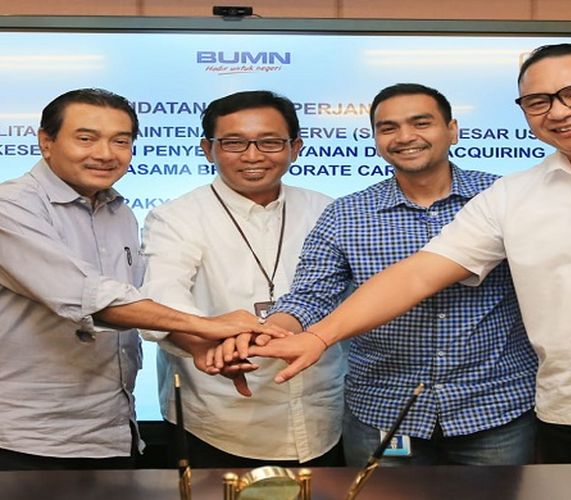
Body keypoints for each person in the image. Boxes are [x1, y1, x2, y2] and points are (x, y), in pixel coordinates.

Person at [246, 42, 571, 464]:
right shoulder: (512, 195)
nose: (559, 111)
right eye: (538, 101)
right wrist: (318, 336)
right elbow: (419, 274)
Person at [224, 83, 538, 466]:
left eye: (421, 123)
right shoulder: (346, 214)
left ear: (452, 130)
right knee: (376, 495)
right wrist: (268, 334)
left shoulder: (501, 198)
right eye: (388, 128)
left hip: (495, 406)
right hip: (385, 409)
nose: (405, 137)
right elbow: (310, 297)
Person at [0, 88, 277, 471]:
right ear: (46, 142)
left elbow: (140, 301)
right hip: (27, 439)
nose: (105, 153)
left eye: (121, 141)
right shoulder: (12, 207)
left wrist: (198, 346)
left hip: (112, 430)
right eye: (86, 138)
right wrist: (207, 325)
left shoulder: (118, 211)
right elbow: (91, 298)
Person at [140, 91, 346, 468]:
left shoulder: (327, 210)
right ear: (208, 149)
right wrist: (209, 343)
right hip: (217, 420)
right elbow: (163, 297)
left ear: (295, 147)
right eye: (234, 143)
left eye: (270, 142)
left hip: (321, 415)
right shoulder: (176, 217)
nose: (252, 156)